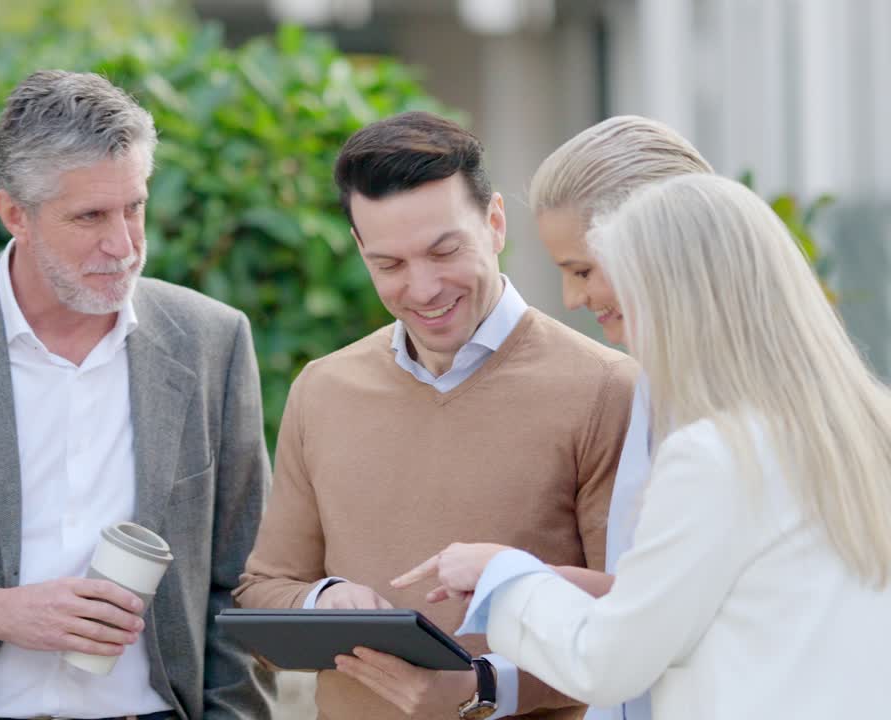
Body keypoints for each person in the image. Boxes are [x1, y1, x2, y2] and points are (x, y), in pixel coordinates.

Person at [0, 70, 273, 720]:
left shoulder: (213, 341)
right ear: (14, 214)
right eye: (90, 216)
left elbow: (238, 579)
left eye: (134, 206)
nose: (123, 245)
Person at [396, 174, 891, 719]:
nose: (602, 312)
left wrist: (501, 575)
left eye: (621, 289)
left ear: (673, 296)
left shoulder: (716, 455)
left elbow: (605, 662)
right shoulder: (862, 428)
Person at [234, 111, 637, 720]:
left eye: (443, 251)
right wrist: (325, 598)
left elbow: (636, 627)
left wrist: (482, 686)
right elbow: (262, 594)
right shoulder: (323, 389)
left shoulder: (606, 388)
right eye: (389, 265)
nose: (422, 289)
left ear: (495, 223)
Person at [526, 115, 714, 720]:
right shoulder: (656, 383)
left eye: (582, 270)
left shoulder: (725, 414)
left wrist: (511, 587)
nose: (572, 300)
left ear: (656, 245)